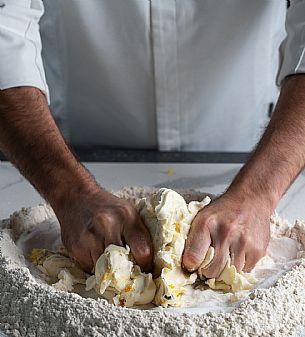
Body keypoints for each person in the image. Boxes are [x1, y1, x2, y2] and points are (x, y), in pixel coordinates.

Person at [0, 0, 304, 279]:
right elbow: (4, 33)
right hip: (72, 152)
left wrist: (259, 189)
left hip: (245, 148)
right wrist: (67, 190)